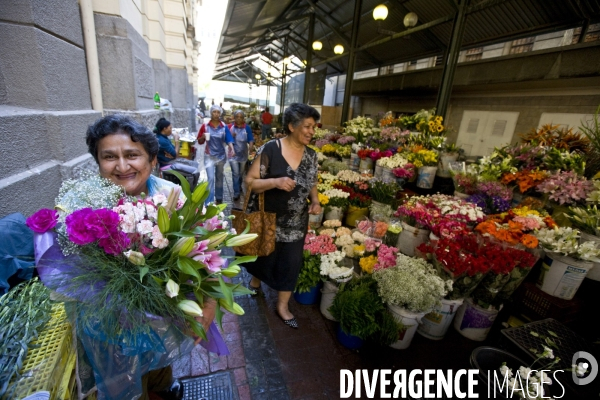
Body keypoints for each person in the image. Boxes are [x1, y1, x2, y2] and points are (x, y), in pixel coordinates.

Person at [85, 114, 217, 399]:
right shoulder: (87, 208)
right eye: (109, 157)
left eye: (132, 155)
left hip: (164, 312)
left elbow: (204, 250)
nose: (122, 166)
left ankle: (163, 385)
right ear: (98, 164)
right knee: (128, 381)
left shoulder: (173, 194)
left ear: (152, 160)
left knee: (160, 362)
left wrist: (210, 302)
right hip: (113, 326)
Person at [244, 103, 321, 329]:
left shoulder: (312, 156)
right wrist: (275, 182)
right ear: (291, 126)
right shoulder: (270, 149)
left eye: (313, 127)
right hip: (268, 219)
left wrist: (315, 200)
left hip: (296, 222)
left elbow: (313, 180)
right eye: (307, 126)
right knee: (263, 255)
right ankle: (256, 280)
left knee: (291, 263)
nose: (311, 131)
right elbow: (250, 183)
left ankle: (282, 306)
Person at [197, 104, 234, 204]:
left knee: (219, 177)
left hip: (221, 156)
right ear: (211, 113)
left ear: (220, 113)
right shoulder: (205, 126)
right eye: (214, 112)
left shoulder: (224, 126)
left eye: (218, 112)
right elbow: (199, 141)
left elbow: (229, 139)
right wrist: (203, 137)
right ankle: (208, 202)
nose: (216, 114)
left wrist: (232, 149)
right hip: (209, 156)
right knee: (211, 178)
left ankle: (219, 197)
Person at [228, 110, 255, 201]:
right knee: (235, 173)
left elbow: (250, 138)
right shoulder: (231, 128)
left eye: (241, 117)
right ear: (234, 118)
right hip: (233, 155)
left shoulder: (247, 128)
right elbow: (226, 140)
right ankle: (236, 193)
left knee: (240, 173)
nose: (239, 119)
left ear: (243, 118)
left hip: (243, 155)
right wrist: (231, 135)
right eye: (237, 117)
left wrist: (251, 145)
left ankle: (238, 187)